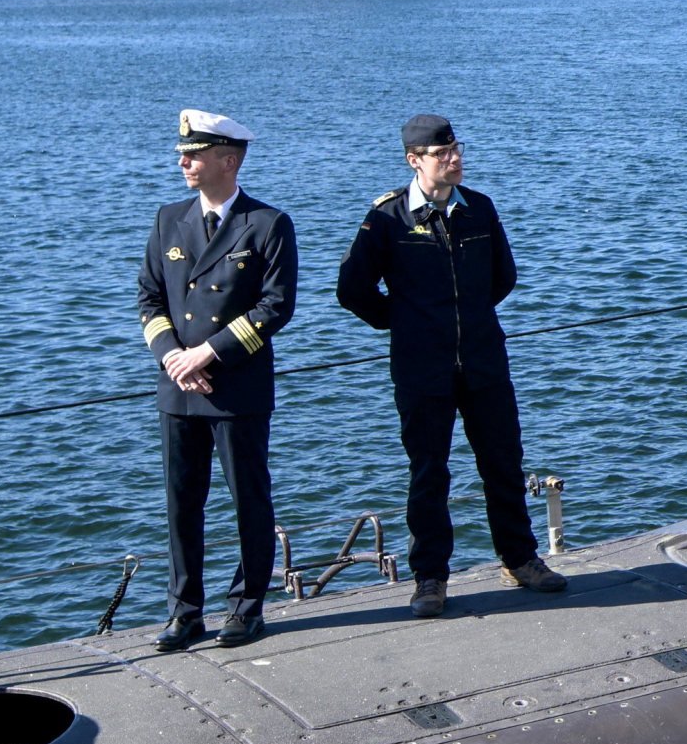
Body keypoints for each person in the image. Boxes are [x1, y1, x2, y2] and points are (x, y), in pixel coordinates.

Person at [335, 113, 565, 616]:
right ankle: (431, 578)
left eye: (457, 150)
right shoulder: (387, 219)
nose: (455, 159)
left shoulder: (479, 209)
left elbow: (503, 277)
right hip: (423, 368)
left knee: (503, 463)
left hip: (483, 360)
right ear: (415, 161)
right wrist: (403, 323)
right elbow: (351, 289)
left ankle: (520, 559)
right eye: (442, 154)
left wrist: (473, 318)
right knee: (428, 472)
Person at [136, 108, 298, 650]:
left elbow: (276, 307)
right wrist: (172, 358)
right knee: (182, 504)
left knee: (248, 499)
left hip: (235, 387)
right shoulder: (168, 220)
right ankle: (185, 612)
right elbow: (150, 299)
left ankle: (247, 607)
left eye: (195, 154)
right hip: (178, 387)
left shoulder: (267, 224)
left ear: (228, 161)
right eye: (184, 154)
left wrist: (206, 353)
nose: (184, 162)